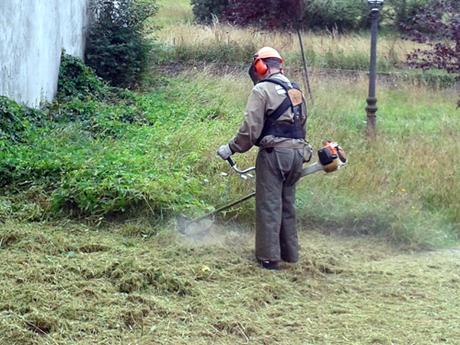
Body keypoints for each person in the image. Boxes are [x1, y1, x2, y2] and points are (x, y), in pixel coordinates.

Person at [217, 47, 311, 270]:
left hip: (274, 154)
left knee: (269, 205)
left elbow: (250, 129)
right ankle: (290, 254)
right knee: (287, 205)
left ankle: (268, 258)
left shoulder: (262, 90)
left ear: (260, 66)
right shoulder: (296, 90)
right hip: (298, 152)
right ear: (281, 64)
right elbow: (303, 123)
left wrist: (231, 148)